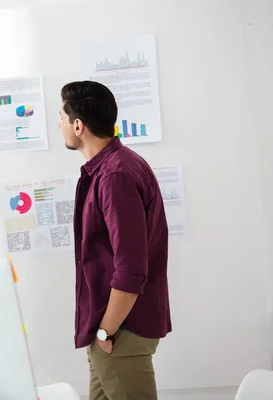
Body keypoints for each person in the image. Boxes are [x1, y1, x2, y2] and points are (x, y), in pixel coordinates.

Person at [59, 81, 171, 400]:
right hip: (110, 332)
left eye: (61, 117)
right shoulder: (112, 169)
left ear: (78, 125)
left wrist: (106, 331)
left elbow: (131, 268)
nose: (60, 125)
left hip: (120, 332)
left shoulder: (115, 176)